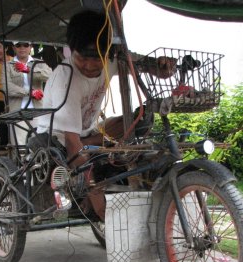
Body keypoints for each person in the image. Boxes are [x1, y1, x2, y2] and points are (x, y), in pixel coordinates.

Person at [36, 9, 176, 221]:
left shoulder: (111, 59)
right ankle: (94, 202)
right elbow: (72, 142)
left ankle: (106, 159)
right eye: (83, 57)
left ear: (107, 52)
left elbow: (137, 62)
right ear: (72, 51)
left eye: (96, 58)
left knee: (139, 121)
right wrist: (98, 200)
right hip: (59, 138)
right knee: (81, 159)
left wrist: (160, 67)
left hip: (88, 134)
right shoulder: (65, 78)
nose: (90, 65)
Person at [3, 41, 52, 144]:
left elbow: (50, 76)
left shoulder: (39, 63)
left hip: (38, 110)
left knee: (39, 145)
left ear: (30, 47)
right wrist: (29, 93)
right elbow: (7, 87)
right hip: (17, 111)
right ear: (13, 48)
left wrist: (28, 69)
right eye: (18, 45)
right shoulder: (8, 66)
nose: (22, 48)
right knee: (20, 146)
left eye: (25, 45)